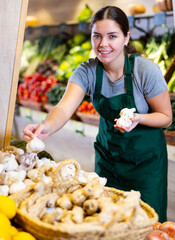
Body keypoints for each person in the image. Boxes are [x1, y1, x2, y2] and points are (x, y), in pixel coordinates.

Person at [23, 6, 172, 222]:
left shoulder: (145, 71)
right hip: (109, 161)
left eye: (112, 36)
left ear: (126, 37)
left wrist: (138, 118)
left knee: (146, 224)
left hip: (146, 166)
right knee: (105, 221)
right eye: (97, 36)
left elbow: (165, 116)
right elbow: (64, 108)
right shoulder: (87, 71)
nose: (103, 44)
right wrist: (45, 128)